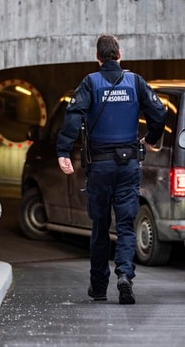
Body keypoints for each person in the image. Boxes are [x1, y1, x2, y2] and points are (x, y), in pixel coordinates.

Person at [56, 34, 166, 305]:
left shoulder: (90, 83)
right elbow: (159, 112)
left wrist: (63, 151)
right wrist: (151, 139)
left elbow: (73, 116)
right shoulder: (135, 81)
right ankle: (125, 276)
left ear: (97, 57)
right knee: (126, 225)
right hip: (128, 165)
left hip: (100, 168)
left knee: (100, 226)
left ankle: (99, 287)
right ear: (119, 54)